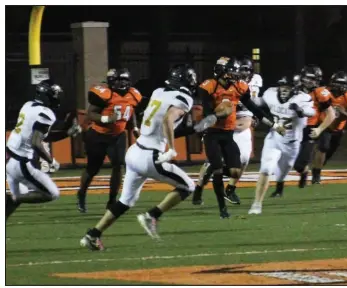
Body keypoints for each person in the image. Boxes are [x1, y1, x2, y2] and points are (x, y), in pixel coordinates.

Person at [80, 64, 208, 249]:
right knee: (188, 186)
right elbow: (168, 120)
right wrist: (171, 148)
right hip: (150, 156)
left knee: (125, 202)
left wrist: (193, 128)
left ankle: (93, 234)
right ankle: (152, 216)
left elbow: (162, 122)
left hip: (135, 151)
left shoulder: (158, 91)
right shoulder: (183, 97)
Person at [195, 56, 282, 218]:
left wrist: (272, 124)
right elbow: (207, 113)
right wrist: (220, 113)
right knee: (216, 166)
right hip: (217, 128)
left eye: (244, 70)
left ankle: (230, 188)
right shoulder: (211, 86)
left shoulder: (243, 86)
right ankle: (203, 192)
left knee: (240, 163)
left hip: (237, 124)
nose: (239, 74)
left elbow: (253, 107)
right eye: (235, 71)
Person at [6, 79, 81, 220]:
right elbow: (36, 142)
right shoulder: (46, 114)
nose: (57, 98)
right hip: (20, 163)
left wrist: (67, 133)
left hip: (8, 157)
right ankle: (11, 198)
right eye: (55, 95)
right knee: (51, 193)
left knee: (15, 201)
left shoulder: (28, 105)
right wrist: (51, 160)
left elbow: (40, 137)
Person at [77, 68, 143, 213]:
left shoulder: (133, 94)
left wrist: (135, 128)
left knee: (119, 165)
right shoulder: (105, 94)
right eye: (119, 80)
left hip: (117, 136)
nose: (123, 84)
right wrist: (106, 119)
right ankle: (81, 193)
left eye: (125, 80)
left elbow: (131, 111)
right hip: (98, 135)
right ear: (111, 81)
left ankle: (112, 201)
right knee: (93, 169)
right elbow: (91, 113)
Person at [248, 74, 315, 214]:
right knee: (266, 169)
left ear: (295, 88)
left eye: (288, 87)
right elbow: (258, 103)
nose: (284, 90)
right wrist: (250, 95)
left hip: (292, 144)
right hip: (273, 138)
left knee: (281, 174)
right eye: (282, 86)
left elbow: (311, 112)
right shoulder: (270, 93)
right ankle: (257, 204)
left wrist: (300, 111)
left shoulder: (302, 98)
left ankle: (299, 174)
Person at [286, 65, 336, 194]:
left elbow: (331, 114)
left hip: (308, 129)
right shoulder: (293, 90)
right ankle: (303, 172)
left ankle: (304, 172)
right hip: (292, 128)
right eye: (309, 78)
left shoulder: (320, 92)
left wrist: (319, 129)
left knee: (299, 165)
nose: (311, 82)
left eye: (315, 79)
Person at [311, 71, 347, 183]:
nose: (340, 86)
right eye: (338, 83)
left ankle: (316, 169)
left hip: (338, 129)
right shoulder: (323, 92)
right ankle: (316, 176)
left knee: (328, 153)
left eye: (343, 84)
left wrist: (343, 112)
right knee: (323, 147)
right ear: (332, 83)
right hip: (323, 125)